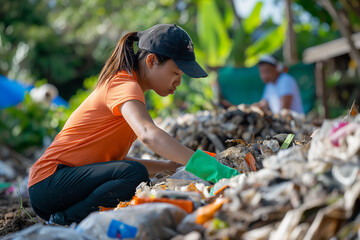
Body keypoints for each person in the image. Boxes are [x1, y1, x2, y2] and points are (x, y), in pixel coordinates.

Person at [28, 24, 239, 226]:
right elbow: (148, 134)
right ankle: (63, 220)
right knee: (134, 174)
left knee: (134, 174)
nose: (178, 82)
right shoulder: (124, 84)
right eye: (175, 73)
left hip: (56, 186)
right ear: (152, 60)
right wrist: (208, 168)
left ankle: (62, 216)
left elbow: (113, 162)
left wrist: (169, 167)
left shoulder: (129, 89)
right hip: (49, 182)